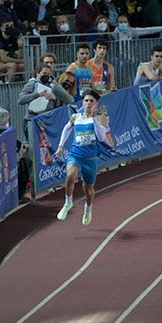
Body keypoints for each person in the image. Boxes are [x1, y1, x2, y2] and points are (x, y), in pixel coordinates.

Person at [53, 90, 113, 226]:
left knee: (88, 190)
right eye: (86, 100)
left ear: (96, 104)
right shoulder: (76, 117)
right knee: (70, 175)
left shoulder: (100, 119)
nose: (88, 103)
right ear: (82, 102)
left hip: (90, 159)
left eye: (91, 101)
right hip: (76, 155)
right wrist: (61, 146)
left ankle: (88, 209)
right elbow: (67, 128)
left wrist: (94, 119)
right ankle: (68, 203)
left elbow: (102, 137)